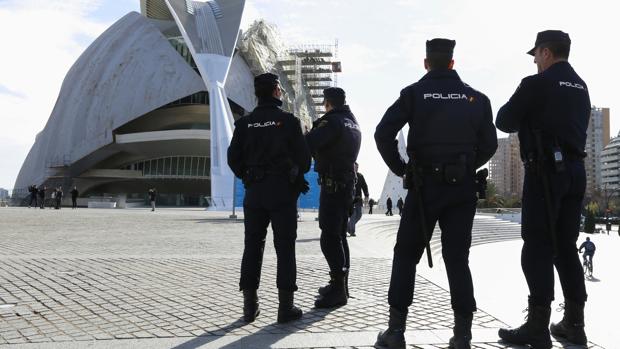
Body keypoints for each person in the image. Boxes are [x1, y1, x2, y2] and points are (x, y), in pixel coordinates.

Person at [374, 38, 497, 349]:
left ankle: (396, 332)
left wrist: (402, 169)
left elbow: (382, 133)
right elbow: (491, 145)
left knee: (405, 255)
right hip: (462, 190)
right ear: (452, 63)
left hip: (424, 188)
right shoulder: (476, 98)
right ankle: (462, 336)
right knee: (458, 259)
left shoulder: (414, 93)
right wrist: (466, 165)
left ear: (426, 62)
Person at [495, 30, 591, 348]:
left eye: (536, 54)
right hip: (576, 172)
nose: (535, 60)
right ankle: (574, 324)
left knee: (536, 245)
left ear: (546, 52)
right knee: (565, 247)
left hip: (546, 173)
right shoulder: (581, 86)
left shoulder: (535, 84)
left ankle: (537, 325)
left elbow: (504, 120)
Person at [228, 72, 311, 323]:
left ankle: (249, 308)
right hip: (282, 193)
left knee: (252, 246)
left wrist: (249, 174)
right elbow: (305, 161)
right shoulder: (288, 121)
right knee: (285, 248)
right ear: (276, 91)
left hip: (254, 192)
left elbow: (233, 158)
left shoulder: (245, 123)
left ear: (257, 93)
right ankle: (285, 308)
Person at [306, 87, 361, 308]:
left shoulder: (332, 121)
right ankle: (342, 285)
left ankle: (338, 290)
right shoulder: (352, 121)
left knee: (329, 237)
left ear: (327, 103)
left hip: (333, 186)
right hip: (347, 185)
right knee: (340, 236)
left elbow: (308, 143)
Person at [347, 162, 369, 237]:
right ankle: (352, 231)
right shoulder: (348, 175)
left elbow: (364, 186)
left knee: (359, 215)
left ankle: (347, 226)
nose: (356, 168)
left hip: (358, 198)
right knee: (353, 215)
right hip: (351, 199)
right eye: (355, 167)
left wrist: (366, 195)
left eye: (357, 167)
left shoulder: (360, 176)